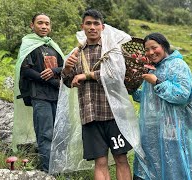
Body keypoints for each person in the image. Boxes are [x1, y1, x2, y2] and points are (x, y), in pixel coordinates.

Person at [60, 9, 136, 179]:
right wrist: (67, 69)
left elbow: (116, 75)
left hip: (113, 114)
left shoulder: (112, 50)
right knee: (100, 162)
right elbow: (67, 82)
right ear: (82, 27)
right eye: (88, 23)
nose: (92, 27)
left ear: (102, 27)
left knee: (121, 158)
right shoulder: (76, 53)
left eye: (96, 24)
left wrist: (86, 75)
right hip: (89, 115)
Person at [132, 33, 192, 180]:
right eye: (147, 50)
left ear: (164, 46)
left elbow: (182, 95)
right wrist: (132, 88)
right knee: (149, 165)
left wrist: (157, 82)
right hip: (152, 129)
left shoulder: (177, 65)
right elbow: (149, 99)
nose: (151, 53)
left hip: (172, 129)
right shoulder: (152, 68)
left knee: (172, 165)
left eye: (154, 48)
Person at [13, 13, 64, 172]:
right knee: (46, 134)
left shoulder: (53, 46)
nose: (44, 26)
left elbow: (66, 68)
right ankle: (48, 172)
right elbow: (26, 70)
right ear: (32, 25)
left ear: (50, 26)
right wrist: (51, 80)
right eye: (40, 23)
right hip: (40, 96)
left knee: (59, 135)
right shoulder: (29, 44)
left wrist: (55, 70)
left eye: (47, 24)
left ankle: (60, 171)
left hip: (56, 96)